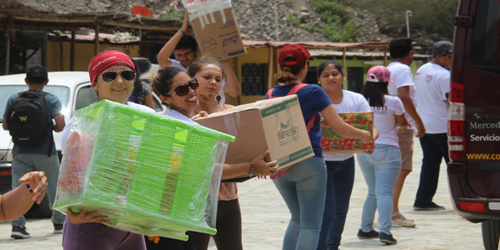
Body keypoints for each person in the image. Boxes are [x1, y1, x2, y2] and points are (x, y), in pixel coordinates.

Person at [150, 66, 278, 250]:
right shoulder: (175, 126)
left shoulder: (186, 121)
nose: (191, 91)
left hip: (196, 205)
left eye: (192, 84)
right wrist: (251, 167)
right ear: (165, 98)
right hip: (184, 210)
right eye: (182, 90)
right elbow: (206, 170)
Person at [266, 44, 372, 250]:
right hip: (308, 162)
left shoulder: (270, 94)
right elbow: (339, 127)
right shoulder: (313, 91)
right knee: (311, 226)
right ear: (305, 66)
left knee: (296, 218)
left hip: (280, 165)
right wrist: (362, 134)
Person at [61, 50, 154, 250]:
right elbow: (69, 181)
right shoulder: (80, 124)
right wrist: (71, 212)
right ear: (95, 83)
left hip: (132, 226)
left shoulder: (148, 117)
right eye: (109, 76)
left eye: (127, 75)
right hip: (91, 224)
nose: (120, 81)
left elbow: (152, 171)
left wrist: (154, 216)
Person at [316, 61, 378, 250]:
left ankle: (334, 245)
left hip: (346, 162)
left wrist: (371, 139)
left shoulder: (356, 99)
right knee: (327, 211)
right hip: (321, 163)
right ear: (318, 80)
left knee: (341, 210)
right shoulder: (314, 100)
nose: (331, 78)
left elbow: (370, 127)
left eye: (335, 74)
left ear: (343, 77)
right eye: (325, 75)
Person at [2, 65, 66, 239]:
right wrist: (52, 127)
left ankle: (18, 226)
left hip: (21, 152)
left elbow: (6, 125)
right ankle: (59, 222)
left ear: (26, 81)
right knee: (54, 187)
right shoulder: (51, 99)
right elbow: (61, 125)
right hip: (46, 153)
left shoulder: (13, 98)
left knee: (19, 187)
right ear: (46, 82)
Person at [357, 65, 409, 245]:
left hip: (364, 150)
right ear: (387, 82)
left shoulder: (360, 100)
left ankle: (365, 228)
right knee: (385, 192)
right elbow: (403, 124)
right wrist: (399, 127)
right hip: (387, 150)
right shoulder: (394, 101)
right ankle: (385, 232)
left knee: (372, 192)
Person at [156, 11, 241, 104]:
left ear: (195, 49)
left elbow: (235, 92)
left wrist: (226, 62)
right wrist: (183, 29)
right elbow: (161, 58)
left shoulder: (213, 68)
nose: (183, 58)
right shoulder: (177, 69)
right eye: (179, 55)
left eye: (187, 53)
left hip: (215, 113)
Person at [386, 38, 425, 227]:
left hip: (390, 124)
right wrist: (418, 121)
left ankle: (390, 210)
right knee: (402, 168)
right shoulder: (403, 70)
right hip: (402, 125)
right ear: (410, 53)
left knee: (397, 168)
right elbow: (403, 96)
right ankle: (392, 211)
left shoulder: (388, 68)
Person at [413, 41, 452, 211]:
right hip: (442, 126)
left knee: (429, 163)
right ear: (439, 56)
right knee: (455, 165)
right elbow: (451, 102)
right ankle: (463, 198)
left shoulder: (422, 70)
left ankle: (422, 200)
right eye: (450, 57)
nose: (452, 60)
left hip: (425, 126)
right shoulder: (445, 75)